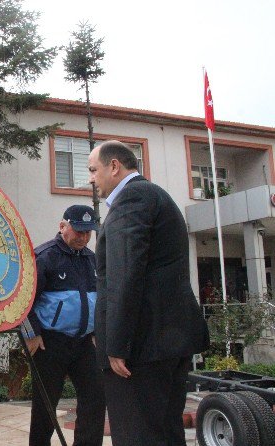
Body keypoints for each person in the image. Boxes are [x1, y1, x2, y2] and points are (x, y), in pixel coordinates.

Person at [88, 140, 209, 445]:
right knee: (166, 434)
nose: (90, 178)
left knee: (137, 436)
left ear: (114, 166)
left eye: (93, 169)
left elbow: (124, 274)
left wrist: (115, 344)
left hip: (140, 349)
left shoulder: (132, 198)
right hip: (163, 343)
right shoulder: (152, 195)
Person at [21, 205, 105, 446]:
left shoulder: (93, 260)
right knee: (45, 406)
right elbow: (23, 302)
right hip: (50, 342)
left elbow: (100, 300)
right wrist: (32, 333)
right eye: (78, 231)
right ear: (62, 226)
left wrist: (98, 331)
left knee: (96, 398)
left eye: (88, 232)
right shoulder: (44, 256)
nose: (83, 237)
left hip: (84, 343)